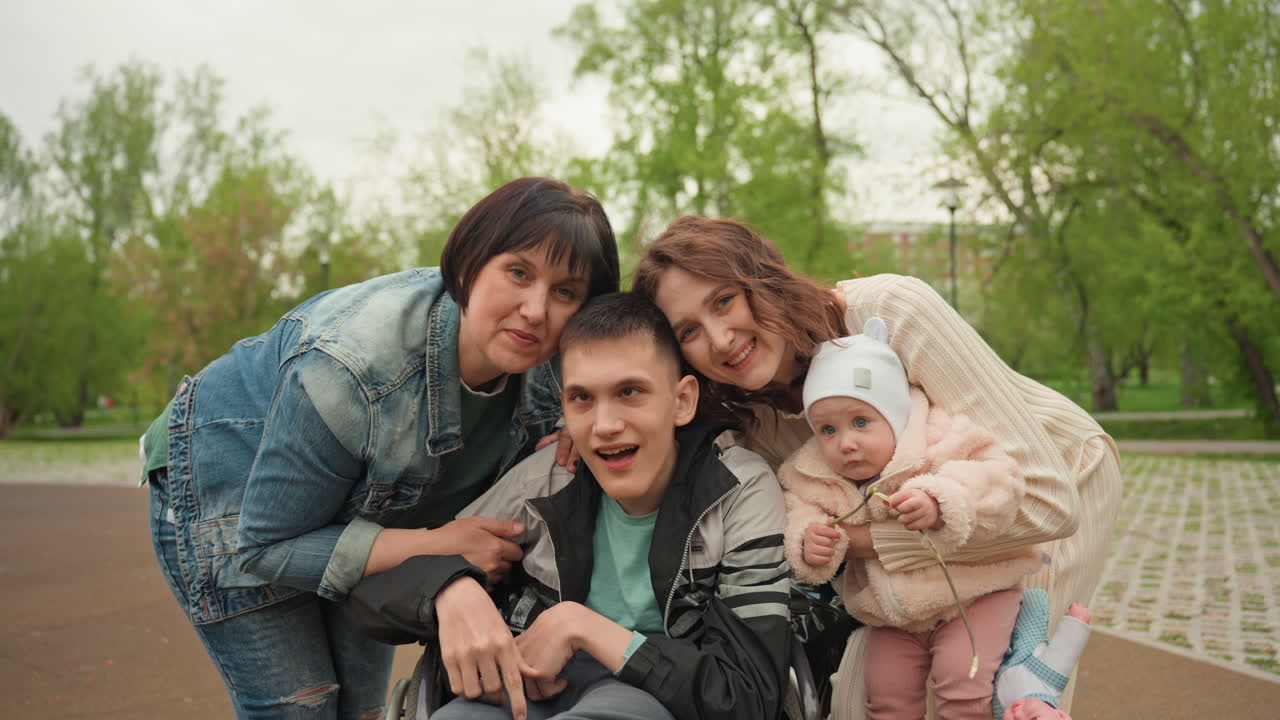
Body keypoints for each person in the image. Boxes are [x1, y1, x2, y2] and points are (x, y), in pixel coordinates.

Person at [140, 176, 620, 720]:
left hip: (363, 506)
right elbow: (263, 548)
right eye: (518, 272)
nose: (536, 310)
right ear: (468, 265)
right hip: (227, 478)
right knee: (304, 705)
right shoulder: (356, 371)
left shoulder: (557, 364)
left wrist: (586, 419)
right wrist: (438, 545)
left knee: (364, 707)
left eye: (566, 292)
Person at [631, 216, 1122, 718]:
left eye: (724, 301)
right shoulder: (752, 422)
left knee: (1000, 693)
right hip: (912, 555)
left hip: (1045, 483)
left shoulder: (892, 310)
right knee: (865, 693)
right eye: (689, 330)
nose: (718, 338)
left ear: (763, 278)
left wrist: (863, 543)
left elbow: (1048, 504)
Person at [346, 292, 793, 720]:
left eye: (630, 392)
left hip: (656, 691)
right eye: (583, 398)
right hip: (521, 687)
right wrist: (449, 587)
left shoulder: (736, 490)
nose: (605, 425)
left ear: (681, 401)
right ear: (564, 406)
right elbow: (369, 595)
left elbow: (747, 698)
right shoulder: (545, 480)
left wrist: (580, 626)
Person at [781, 317, 1049, 718]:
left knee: (961, 683)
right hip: (893, 614)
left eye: (860, 422)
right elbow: (799, 508)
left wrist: (942, 498)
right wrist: (807, 540)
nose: (846, 443)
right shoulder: (815, 472)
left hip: (972, 595)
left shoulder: (938, 439)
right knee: (886, 696)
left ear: (895, 414)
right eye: (828, 430)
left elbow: (998, 478)